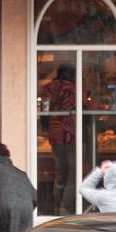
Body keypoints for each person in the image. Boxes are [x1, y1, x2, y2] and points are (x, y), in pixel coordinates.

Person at [45, 64, 77, 215]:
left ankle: (56, 206)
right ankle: (65, 208)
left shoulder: (50, 88)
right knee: (73, 173)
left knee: (60, 173)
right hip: (69, 134)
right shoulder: (73, 88)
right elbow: (87, 106)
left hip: (54, 133)